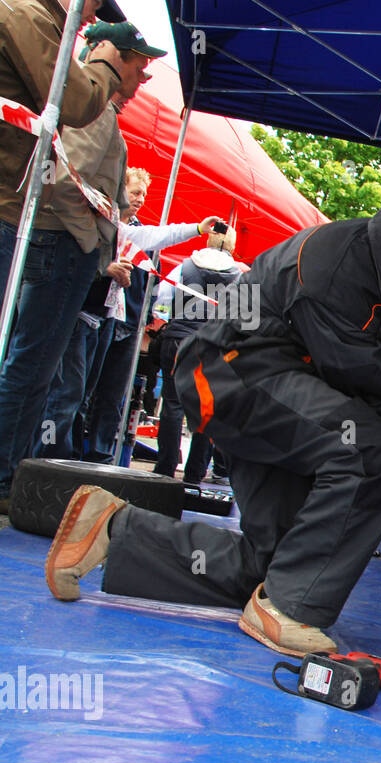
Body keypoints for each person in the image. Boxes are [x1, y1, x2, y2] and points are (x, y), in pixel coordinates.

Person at [47, 175, 381, 658]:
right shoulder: (335, 273)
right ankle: (289, 612)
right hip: (228, 379)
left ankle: (110, 529)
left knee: (280, 565)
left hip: (287, 389)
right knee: (376, 452)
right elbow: (375, 402)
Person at [0, 0, 149, 510]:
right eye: (138, 63)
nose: (143, 75)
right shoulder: (91, 102)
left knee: (37, 369)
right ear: (116, 55)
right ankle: (5, 478)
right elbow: (65, 180)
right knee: (34, 367)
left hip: (54, 241)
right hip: (60, 246)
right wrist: (91, 241)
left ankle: (9, 475)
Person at [83, 169, 217, 463]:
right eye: (135, 192)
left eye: (143, 194)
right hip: (109, 319)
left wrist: (157, 319)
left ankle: (147, 463)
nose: (140, 199)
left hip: (138, 327)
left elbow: (161, 296)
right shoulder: (109, 226)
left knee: (163, 404)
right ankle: (189, 471)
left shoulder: (184, 265)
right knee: (203, 409)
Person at [150, 219, 245, 482]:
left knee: (172, 405)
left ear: (209, 238)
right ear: (232, 245)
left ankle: (165, 470)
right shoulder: (241, 275)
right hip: (216, 346)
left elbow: (162, 301)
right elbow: (248, 321)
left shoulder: (185, 266)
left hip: (178, 339)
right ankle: (194, 474)